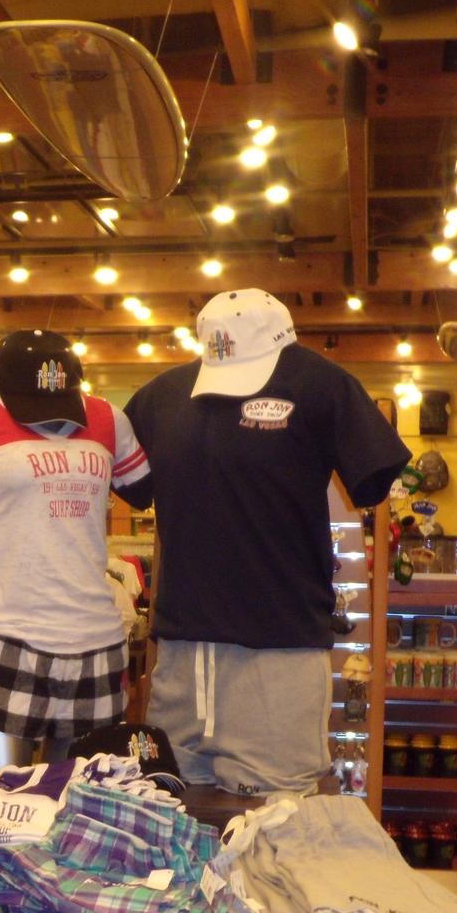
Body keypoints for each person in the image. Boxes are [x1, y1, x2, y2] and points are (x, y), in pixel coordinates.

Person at [122, 290, 410, 796]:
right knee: (170, 829)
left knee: (276, 840)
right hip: (181, 665)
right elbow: (133, 487)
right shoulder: (159, 399)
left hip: (279, 663)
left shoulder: (322, 387)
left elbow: (372, 480)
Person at [0, 329, 151, 779]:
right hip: (9, 635)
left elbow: (139, 484)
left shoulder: (105, 417)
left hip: (97, 641)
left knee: (88, 812)